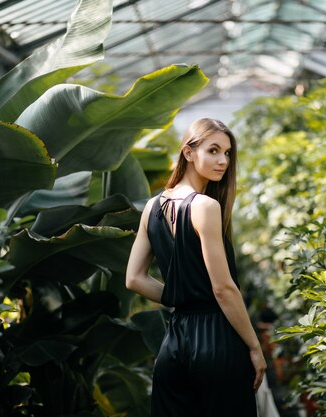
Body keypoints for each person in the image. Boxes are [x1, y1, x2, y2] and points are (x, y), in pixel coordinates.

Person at [126, 118, 266, 417]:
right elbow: (223, 288)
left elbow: (134, 279)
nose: (223, 161)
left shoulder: (152, 207)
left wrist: (178, 297)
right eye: (213, 150)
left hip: (174, 343)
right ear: (188, 153)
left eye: (227, 153)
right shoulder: (205, 206)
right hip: (218, 341)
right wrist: (255, 347)